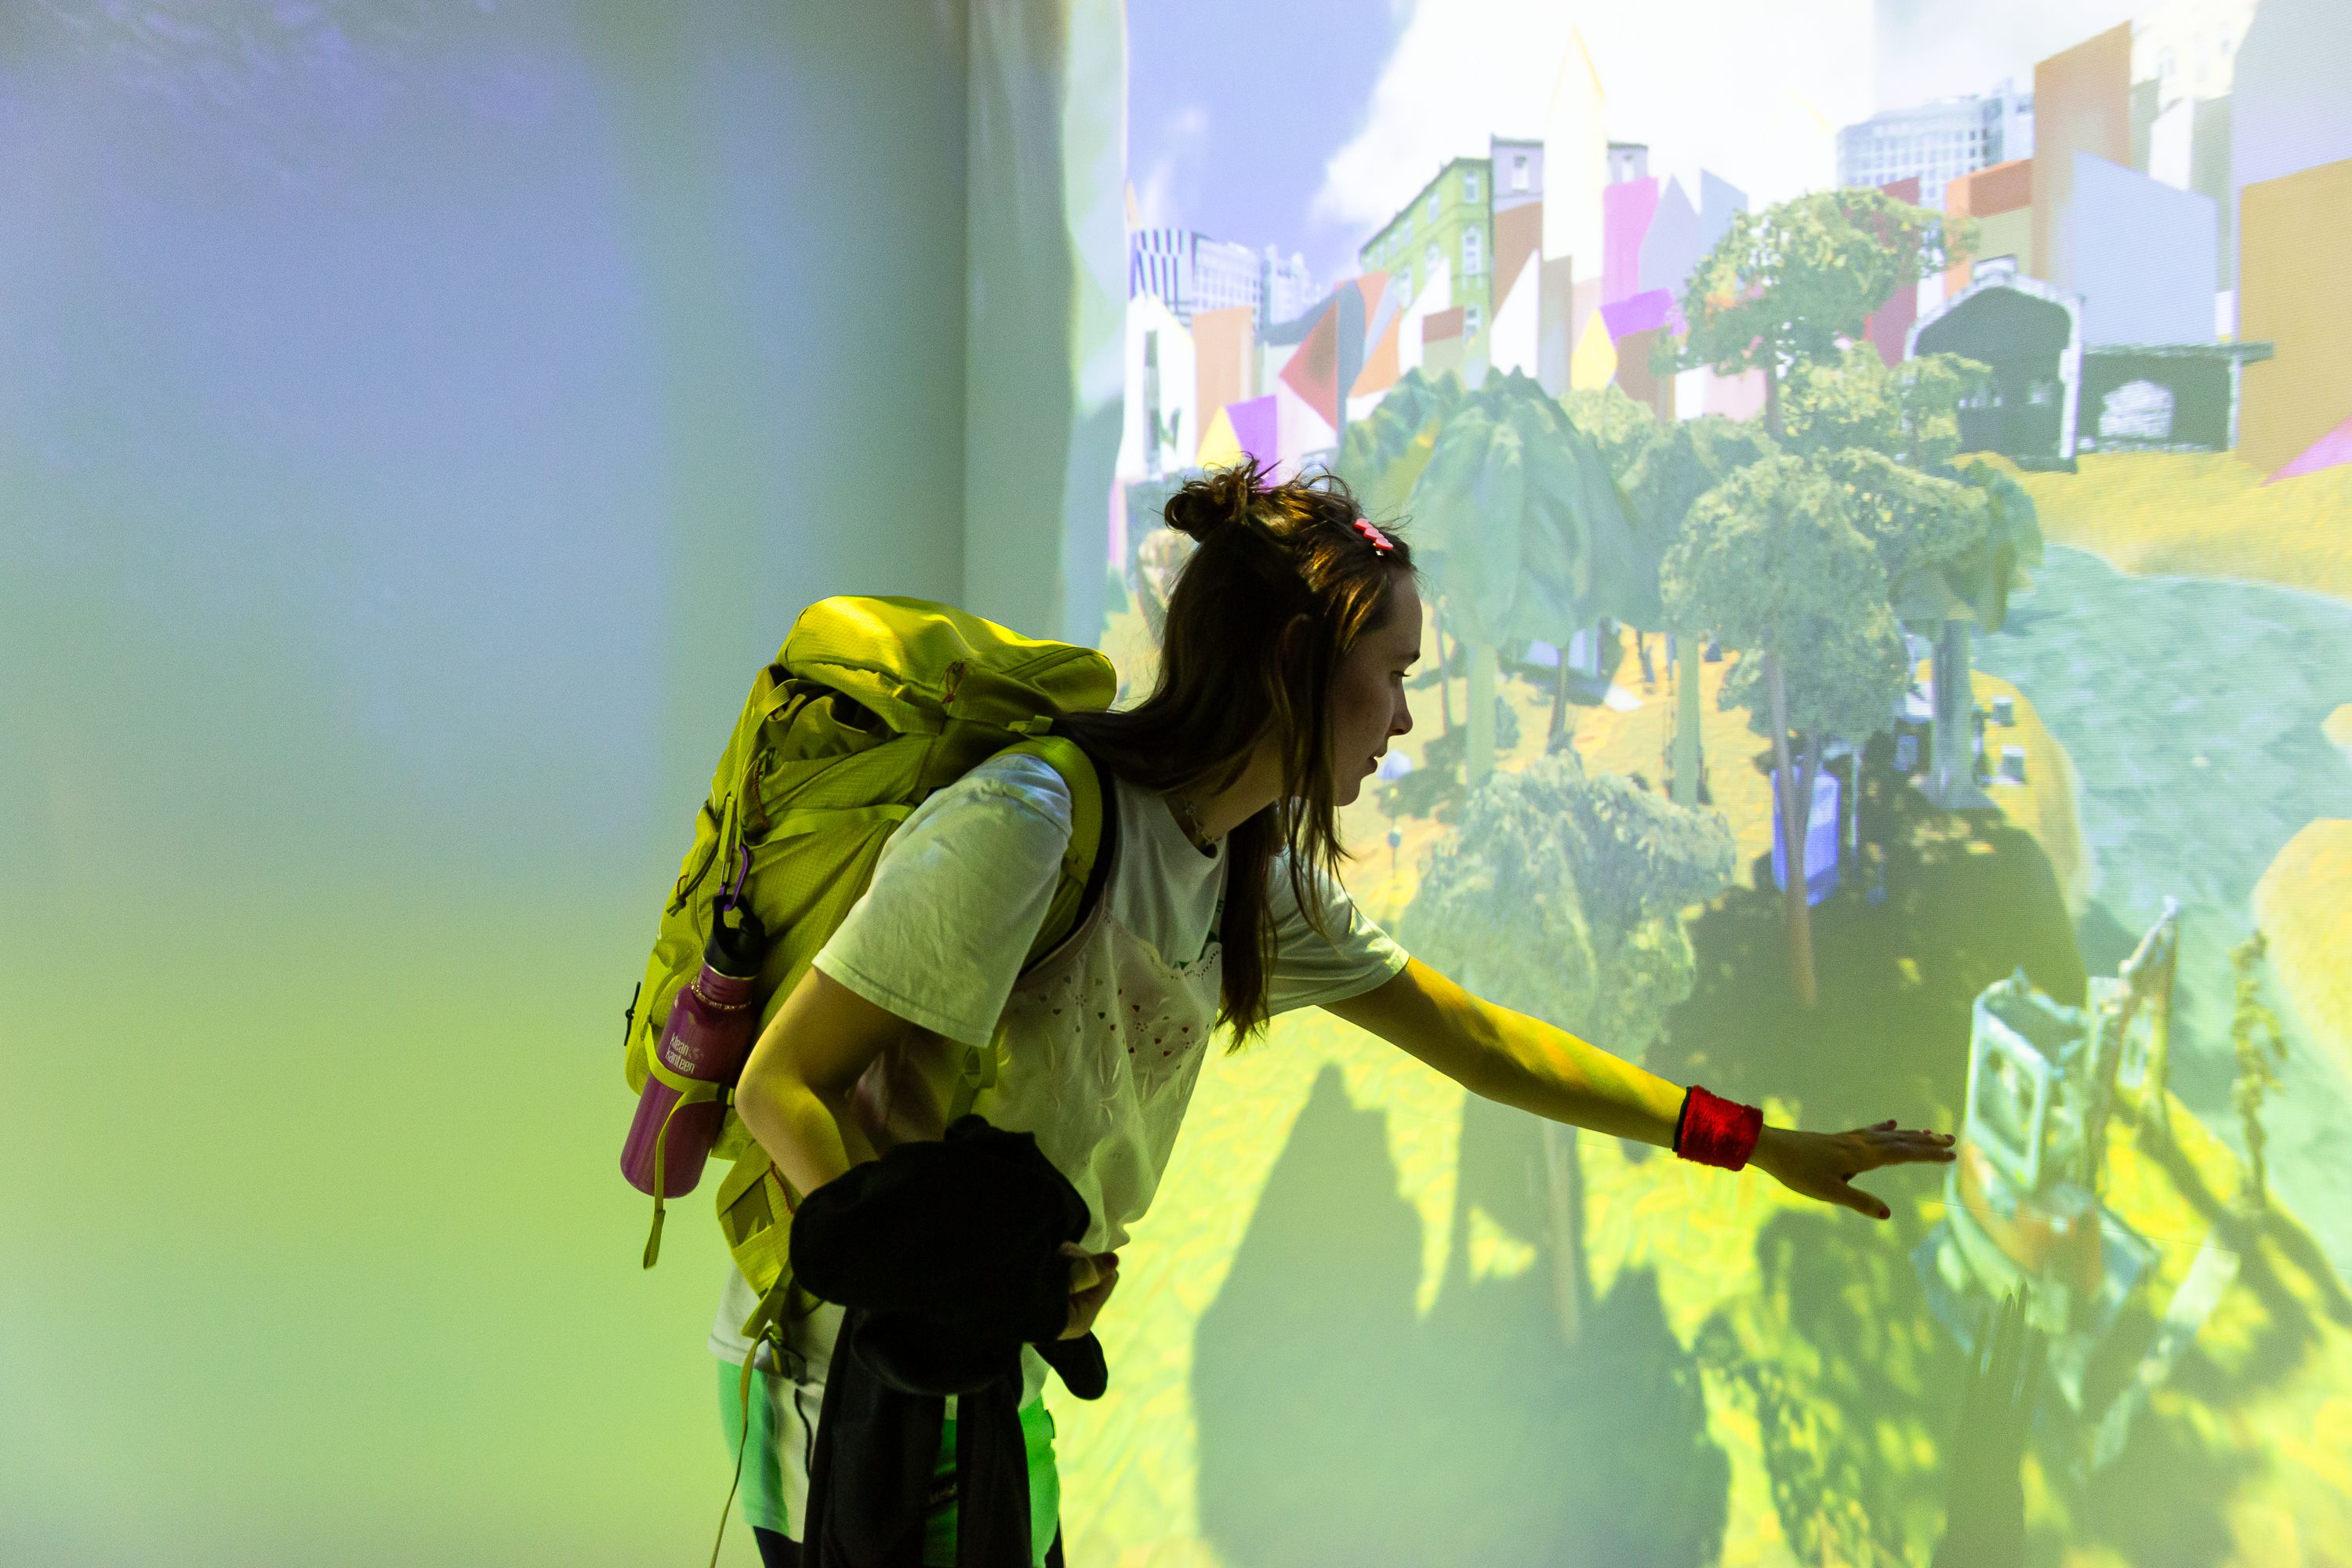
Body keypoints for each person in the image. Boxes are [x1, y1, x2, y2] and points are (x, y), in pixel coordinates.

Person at [718, 460, 1957, 1566]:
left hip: (989, 1387)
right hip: (844, 1394)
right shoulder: (1029, 824)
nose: (1407, 718)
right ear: (1296, 665)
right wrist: (925, 1285)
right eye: (1394, 675)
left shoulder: (1258, 881)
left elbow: (1485, 1046)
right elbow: (779, 1085)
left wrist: (1755, 1141)